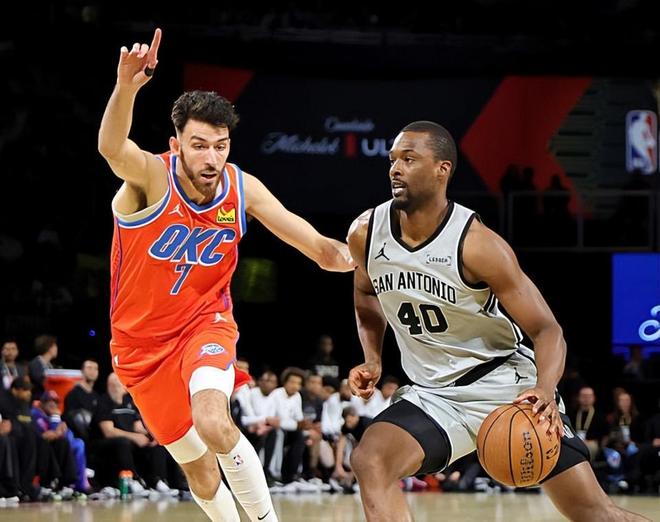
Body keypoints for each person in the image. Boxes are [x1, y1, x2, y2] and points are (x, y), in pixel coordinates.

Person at [97, 28, 353, 522]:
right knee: (201, 473)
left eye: (221, 145)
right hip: (139, 349)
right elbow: (112, 148)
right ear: (176, 144)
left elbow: (320, 249)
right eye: (199, 146)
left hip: (205, 325)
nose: (212, 158)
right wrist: (125, 88)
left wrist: (361, 258)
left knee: (214, 422)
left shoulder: (242, 188)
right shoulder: (151, 177)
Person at [346, 120, 649, 521]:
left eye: (409, 159)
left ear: (442, 169)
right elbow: (366, 293)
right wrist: (373, 357)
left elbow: (547, 330)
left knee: (594, 514)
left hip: (506, 387)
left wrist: (544, 388)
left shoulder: (478, 244)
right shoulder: (366, 233)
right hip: (434, 395)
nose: (395, 169)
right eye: (392, 160)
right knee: (370, 460)